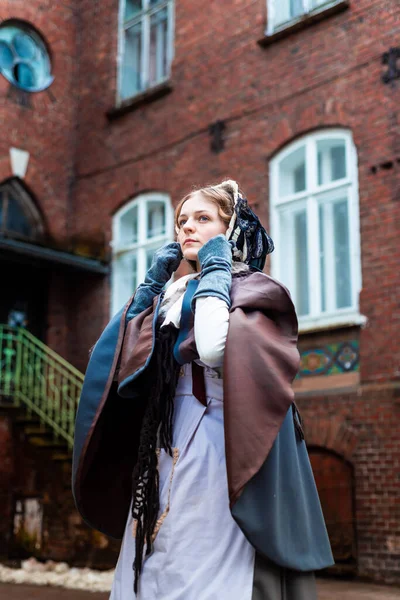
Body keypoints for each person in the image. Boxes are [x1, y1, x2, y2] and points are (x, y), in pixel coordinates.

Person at [72, 180, 334, 600]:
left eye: (202, 218)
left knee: (203, 567)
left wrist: (216, 272)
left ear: (229, 231)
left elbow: (213, 347)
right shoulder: (172, 295)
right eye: (181, 221)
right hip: (165, 445)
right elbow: (117, 365)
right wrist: (149, 289)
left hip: (222, 445)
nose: (186, 229)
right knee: (156, 564)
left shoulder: (254, 289)